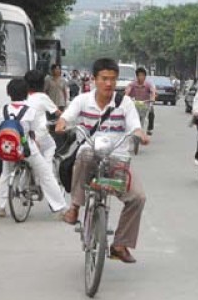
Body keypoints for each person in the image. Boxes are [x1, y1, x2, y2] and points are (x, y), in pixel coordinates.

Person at [56, 58, 149, 263]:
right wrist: (62, 123)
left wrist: (140, 133)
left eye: (113, 79)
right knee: (85, 155)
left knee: (138, 197)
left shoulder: (124, 103)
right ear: (95, 79)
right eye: (104, 79)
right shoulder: (82, 100)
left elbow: (134, 124)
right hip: (90, 156)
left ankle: (119, 244)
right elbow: (68, 116)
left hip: (117, 159)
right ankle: (75, 208)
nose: (109, 84)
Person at [0, 79, 66, 217]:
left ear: (8, 93)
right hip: (27, 149)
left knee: (5, 174)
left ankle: (1, 207)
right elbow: (33, 130)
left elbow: (0, 126)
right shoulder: (29, 110)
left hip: (9, 148)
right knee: (46, 174)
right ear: (26, 94)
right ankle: (60, 207)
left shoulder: (3, 109)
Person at [24, 70, 61, 165]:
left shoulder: (23, 96)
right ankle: (47, 170)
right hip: (38, 134)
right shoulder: (42, 97)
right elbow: (58, 113)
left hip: (23, 134)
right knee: (51, 146)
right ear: (42, 84)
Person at [125, 67, 156, 136]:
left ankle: (149, 128)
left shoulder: (148, 84)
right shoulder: (133, 84)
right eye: (139, 75)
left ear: (145, 77)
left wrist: (152, 99)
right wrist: (126, 96)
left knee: (151, 112)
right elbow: (128, 90)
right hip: (135, 104)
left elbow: (152, 92)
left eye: (142, 75)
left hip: (146, 103)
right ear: (137, 76)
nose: (141, 77)